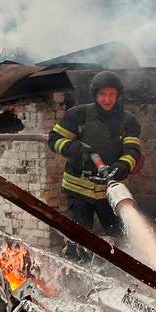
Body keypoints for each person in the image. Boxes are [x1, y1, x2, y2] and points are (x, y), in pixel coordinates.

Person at [47, 71, 143, 258]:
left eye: (112, 94)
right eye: (103, 94)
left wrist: (123, 165)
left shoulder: (128, 121)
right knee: (77, 240)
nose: (107, 99)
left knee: (120, 240)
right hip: (78, 190)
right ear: (95, 95)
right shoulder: (78, 115)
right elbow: (54, 139)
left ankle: (120, 271)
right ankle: (74, 269)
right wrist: (75, 149)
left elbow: (132, 150)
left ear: (118, 95)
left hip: (110, 192)